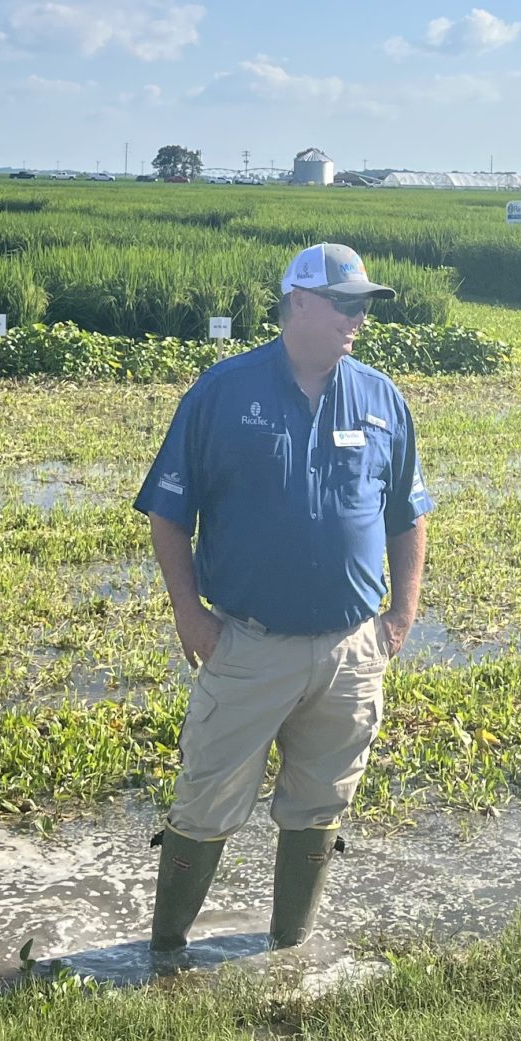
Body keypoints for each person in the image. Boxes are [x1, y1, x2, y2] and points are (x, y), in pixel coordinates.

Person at [135, 242, 433, 956]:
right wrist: (189, 614)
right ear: (299, 302)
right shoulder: (223, 392)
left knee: (322, 800)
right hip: (248, 644)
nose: (358, 318)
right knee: (205, 799)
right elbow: (169, 512)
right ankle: (166, 951)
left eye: (365, 305)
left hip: (352, 649)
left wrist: (400, 616)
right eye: (347, 303)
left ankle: (289, 949)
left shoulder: (381, 397)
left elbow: (409, 512)